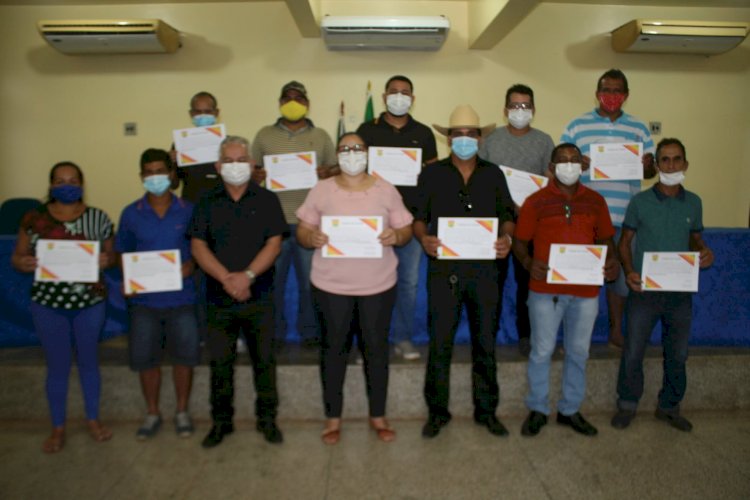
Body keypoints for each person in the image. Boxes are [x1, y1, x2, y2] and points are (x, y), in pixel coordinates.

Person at [296, 132, 414, 445]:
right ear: (337, 154)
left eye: (357, 148)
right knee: (333, 352)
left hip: (378, 285)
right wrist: (312, 239)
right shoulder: (321, 190)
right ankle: (332, 417)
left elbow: (405, 229)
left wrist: (395, 237)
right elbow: (303, 230)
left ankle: (378, 414)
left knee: (376, 352)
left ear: (367, 153)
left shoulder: (385, 189)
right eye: (345, 149)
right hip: (330, 285)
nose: (352, 154)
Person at [414, 105, 515, 438]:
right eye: (457, 134)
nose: (464, 139)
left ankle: (486, 411)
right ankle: (437, 413)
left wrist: (507, 238)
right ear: (448, 139)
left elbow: (507, 215)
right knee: (440, 343)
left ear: (480, 137)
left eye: (470, 134)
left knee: (485, 343)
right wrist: (424, 238)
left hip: (486, 272)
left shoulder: (494, 174)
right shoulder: (431, 174)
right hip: (444, 272)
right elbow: (417, 218)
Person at [513, 143, 619, 438]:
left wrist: (612, 262)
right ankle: (538, 409)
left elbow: (607, 240)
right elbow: (520, 242)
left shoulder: (596, 201)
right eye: (563, 161)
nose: (569, 165)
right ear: (552, 166)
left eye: (574, 160)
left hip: (585, 293)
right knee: (541, 351)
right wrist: (526, 260)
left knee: (578, 352)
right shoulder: (535, 201)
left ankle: (570, 410)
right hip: (545, 290)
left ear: (583, 167)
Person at [189, 135, 287, 447]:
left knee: (265, 361)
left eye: (241, 160)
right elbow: (198, 245)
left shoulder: (268, 199)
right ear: (218, 166)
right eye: (228, 161)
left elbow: (274, 243)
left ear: (252, 164)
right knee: (220, 363)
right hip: (218, 296)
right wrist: (227, 279)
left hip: (260, 293)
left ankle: (267, 420)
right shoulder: (205, 200)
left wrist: (246, 277)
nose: (235, 166)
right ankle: (221, 422)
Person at [611, 138, 713, 432]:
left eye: (676, 159)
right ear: (655, 165)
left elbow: (694, 237)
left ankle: (669, 406)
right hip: (644, 290)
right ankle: (627, 405)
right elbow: (625, 242)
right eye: (665, 160)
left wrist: (704, 252)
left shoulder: (694, 202)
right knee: (633, 351)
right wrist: (629, 271)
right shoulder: (640, 201)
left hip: (679, 293)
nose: (671, 165)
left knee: (678, 353)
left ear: (686, 164)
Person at [12, 161, 114, 453]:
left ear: (82, 184)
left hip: (89, 303)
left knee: (88, 362)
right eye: (59, 181)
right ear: (51, 185)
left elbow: (112, 254)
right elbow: (16, 258)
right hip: (48, 304)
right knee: (56, 366)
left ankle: (93, 419)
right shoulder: (33, 219)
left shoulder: (98, 218)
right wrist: (24, 262)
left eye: (72, 180)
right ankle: (58, 427)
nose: (66, 185)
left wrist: (108, 259)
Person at [561, 69, 655, 348]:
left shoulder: (639, 128)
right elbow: (561, 165)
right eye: (606, 90)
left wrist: (648, 165)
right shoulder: (576, 126)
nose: (611, 96)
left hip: (626, 216)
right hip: (584, 216)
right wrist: (578, 164)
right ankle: (580, 335)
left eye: (617, 91)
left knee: (621, 281)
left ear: (626, 95)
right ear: (597, 93)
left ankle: (616, 331)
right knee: (582, 277)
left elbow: (649, 173)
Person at [115, 149, 200, 440]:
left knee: (184, 358)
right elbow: (121, 253)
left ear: (172, 174)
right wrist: (128, 277)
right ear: (141, 176)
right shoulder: (130, 213)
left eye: (160, 171)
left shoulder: (189, 210)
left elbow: (201, 249)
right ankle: (152, 413)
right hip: (144, 302)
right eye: (149, 172)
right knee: (146, 360)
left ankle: (181, 411)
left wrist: (192, 265)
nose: (155, 177)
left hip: (182, 299)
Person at [356, 75, 438, 361]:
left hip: (410, 220)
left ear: (413, 99)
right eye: (394, 92)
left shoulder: (424, 133)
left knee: (408, 282)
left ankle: (402, 337)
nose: (399, 97)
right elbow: (354, 171)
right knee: (368, 281)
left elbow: (431, 179)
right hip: (371, 220)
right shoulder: (366, 130)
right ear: (384, 97)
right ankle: (370, 340)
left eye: (405, 93)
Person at [251, 81, 338, 347]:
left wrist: (327, 172)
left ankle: (310, 333)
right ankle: (274, 333)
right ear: (279, 103)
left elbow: (338, 170)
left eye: (298, 97)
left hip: (309, 223)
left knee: (311, 283)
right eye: (287, 97)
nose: (293, 101)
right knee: (272, 284)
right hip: (273, 223)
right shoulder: (264, 135)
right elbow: (250, 174)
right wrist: (257, 175)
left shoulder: (322, 136)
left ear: (307, 103)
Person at [479, 83, 555, 357]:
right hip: (497, 222)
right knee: (492, 283)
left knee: (528, 282)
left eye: (525, 106)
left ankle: (527, 334)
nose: (520, 111)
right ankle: (488, 335)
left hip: (532, 222)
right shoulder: (491, 140)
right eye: (514, 106)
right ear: (505, 110)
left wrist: (531, 204)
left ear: (533, 110)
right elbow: (480, 176)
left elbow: (552, 180)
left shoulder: (545, 141)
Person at [174, 91, 223, 203]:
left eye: (207, 111)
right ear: (191, 114)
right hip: (191, 205)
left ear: (216, 112)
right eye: (198, 112)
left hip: (221, 204)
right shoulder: (180, 144)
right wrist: (171, 163)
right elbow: (174, 185)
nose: (202, 115)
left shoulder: (227, 144)